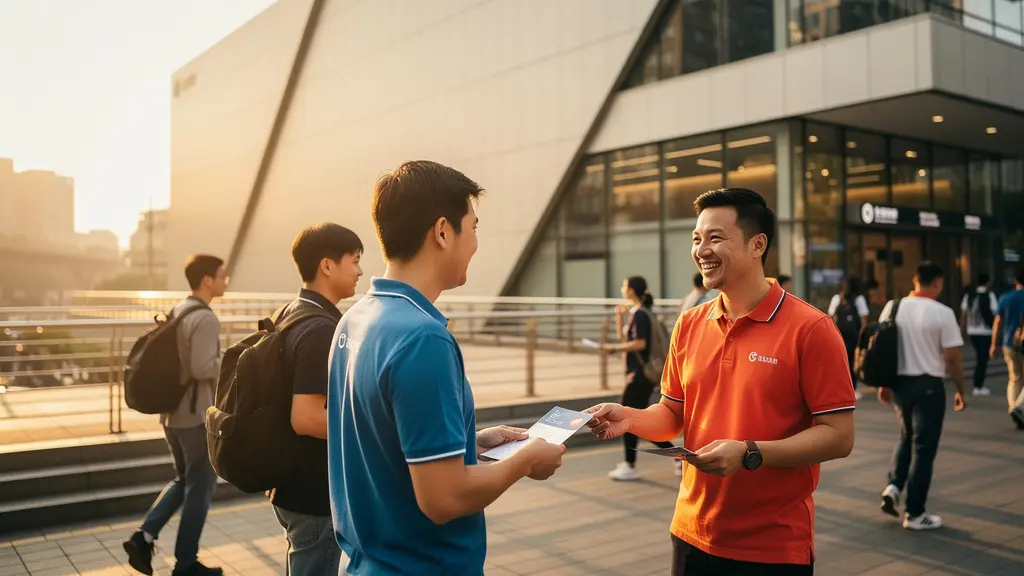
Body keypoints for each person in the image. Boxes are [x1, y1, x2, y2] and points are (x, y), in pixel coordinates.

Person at [586, 188, 855, 575]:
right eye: (696, 239)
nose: (701, 250)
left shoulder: (812, 329)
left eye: (715, 238)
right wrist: (629, 417)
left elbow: (839, 436)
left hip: (772, 546)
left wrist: (749, 452)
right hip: (691, 531)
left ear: (757, 244)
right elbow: (672, 414)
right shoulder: (690, 324)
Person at [327, 161, 566, 575]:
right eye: (473, 227)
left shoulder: (356, 319)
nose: (475, 243)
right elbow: (444, 500)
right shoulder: (423, 339)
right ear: (442, 232)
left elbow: (385, 445)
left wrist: (470, 444)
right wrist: (525, 461)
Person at [123, 255, 229, 576]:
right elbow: (201, 367)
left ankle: (143, 537)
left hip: (173, 415)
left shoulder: (180, 309)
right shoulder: (206, 318)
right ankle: (186, 564)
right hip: (196, 417)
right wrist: (230, 359)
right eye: (222, 275)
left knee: (184, 480)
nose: (226, 280)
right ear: (207, 280)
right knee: (200, 490)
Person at [268, 223, 363, 575]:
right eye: (354, 260)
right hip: (312, 492)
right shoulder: (321, 327)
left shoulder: (291, 311)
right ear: (327, 265)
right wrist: (371, 427)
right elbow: (305, 417)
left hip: (291, 482)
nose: (360, 271)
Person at [878, 262, 966, 531]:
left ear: (915, 281)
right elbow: (951, 357)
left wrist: (884, 384)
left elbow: (882, 349)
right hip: (929, 387)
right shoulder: (943, 313)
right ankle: (915, 513)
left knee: (906, 437)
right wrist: (961, 390)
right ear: (938, 282)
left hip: (900, 385)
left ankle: (893, 487)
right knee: (924, 448)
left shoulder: (892, 307)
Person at [604, 275, 680, 481]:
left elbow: (639, 343)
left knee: (627, 419)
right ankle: (676, 456)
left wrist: (614, 348)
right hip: (639, 375)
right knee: (634, 420)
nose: (622, 289)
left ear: (631, 291)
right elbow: (627, 338)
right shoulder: (637, 313)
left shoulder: (640, 315)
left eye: (624, 285)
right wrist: (619, 317)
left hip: (641, 375)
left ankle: (631, 464)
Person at [990, 264, 1024, 429]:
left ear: (1016, 280)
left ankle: (1014, 409)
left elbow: (998, 322)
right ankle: (1019, 408)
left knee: (1015, 378)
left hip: (1009, 343)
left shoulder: (1006, 297)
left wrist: (993, 344)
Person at [827, 276, 870, 400]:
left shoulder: (838, 298)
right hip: (852, 336)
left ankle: (843, 389)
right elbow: (863, 320)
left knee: (843, 362)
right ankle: (850, 389)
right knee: (850, 363)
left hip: (841, 336)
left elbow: (831, 317)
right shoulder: (858, 299)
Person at [960, 273, 998, 397]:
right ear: (988, 282)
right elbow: (995, 314)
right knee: (982, 359)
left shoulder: (969, 295)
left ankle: (978, 385)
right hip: (985, 332)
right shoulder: (989, 295)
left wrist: (962, 329)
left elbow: (964, 314)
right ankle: (978, 386)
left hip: (972, 331)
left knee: (980, 358)